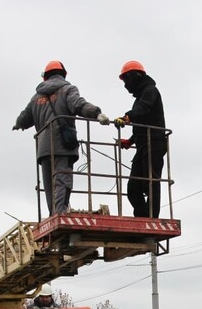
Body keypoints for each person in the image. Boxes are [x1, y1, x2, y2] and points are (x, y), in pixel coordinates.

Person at [14, 61, 110, 215]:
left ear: (45, 77)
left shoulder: (36, 98)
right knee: (62, 180)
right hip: (62, 145)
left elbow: (24, 119)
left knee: (49, 185)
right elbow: (78, 105)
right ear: (63, 74)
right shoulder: (67, 90)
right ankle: (59, 215)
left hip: (44, 149)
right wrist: (96, 113)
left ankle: (54, 214)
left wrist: (18, 124)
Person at [113, 60, 167, 219]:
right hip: (144, 145)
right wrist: (130, 141)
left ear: (134, 77)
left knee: (151, 183)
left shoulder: (150, 91)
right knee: (133, 188)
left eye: (126, 80)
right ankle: (143, 217)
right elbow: (143, 123)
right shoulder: (142, 95)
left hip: (155, 145)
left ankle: (151, 219)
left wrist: (127, 117)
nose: (125, 85)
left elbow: (143, 109)